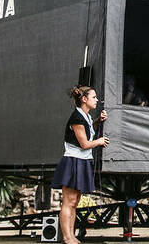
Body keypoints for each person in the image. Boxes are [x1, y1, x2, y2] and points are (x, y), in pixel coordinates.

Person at [51, 86, 109, 244]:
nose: (97, 100)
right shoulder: (77, 118)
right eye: (94, 97)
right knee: (68, 201)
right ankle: (66, 236)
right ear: (84, 99)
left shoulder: (87, 117)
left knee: (75, 202)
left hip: (82, 161)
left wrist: (98, 121)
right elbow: (84, 144)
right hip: (73, 161)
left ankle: (71, 235)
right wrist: (99, 141)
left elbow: (89, 130)